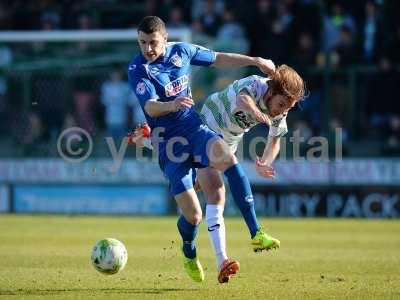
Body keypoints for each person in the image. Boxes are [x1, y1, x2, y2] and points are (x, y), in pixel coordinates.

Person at [127, 16, 279, 284]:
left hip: (193, 128)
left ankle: (256, 233)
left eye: (152, 42)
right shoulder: (137, 69)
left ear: (164, 38)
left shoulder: (182, 51)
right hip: (167, 143)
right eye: (142, 43)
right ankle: (188, 251)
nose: (147, 49)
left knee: (230, 162)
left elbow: (219, 58)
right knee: (194, 216)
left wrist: (256, 61)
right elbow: (150, 106)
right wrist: (171, 105)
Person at [130, 64, 305, 282]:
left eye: (288, 108)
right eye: (281, 104)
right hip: (205, 127)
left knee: (196, 209)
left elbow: (275, 142)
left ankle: (150, 140)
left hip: (226, 142)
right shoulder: (255, 84)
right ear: (271, 91)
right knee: (216, 193)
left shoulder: (279, 108)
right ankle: (233, 251)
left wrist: (265, 162)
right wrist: (260, 116)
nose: (282, 111)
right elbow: (243, 101)